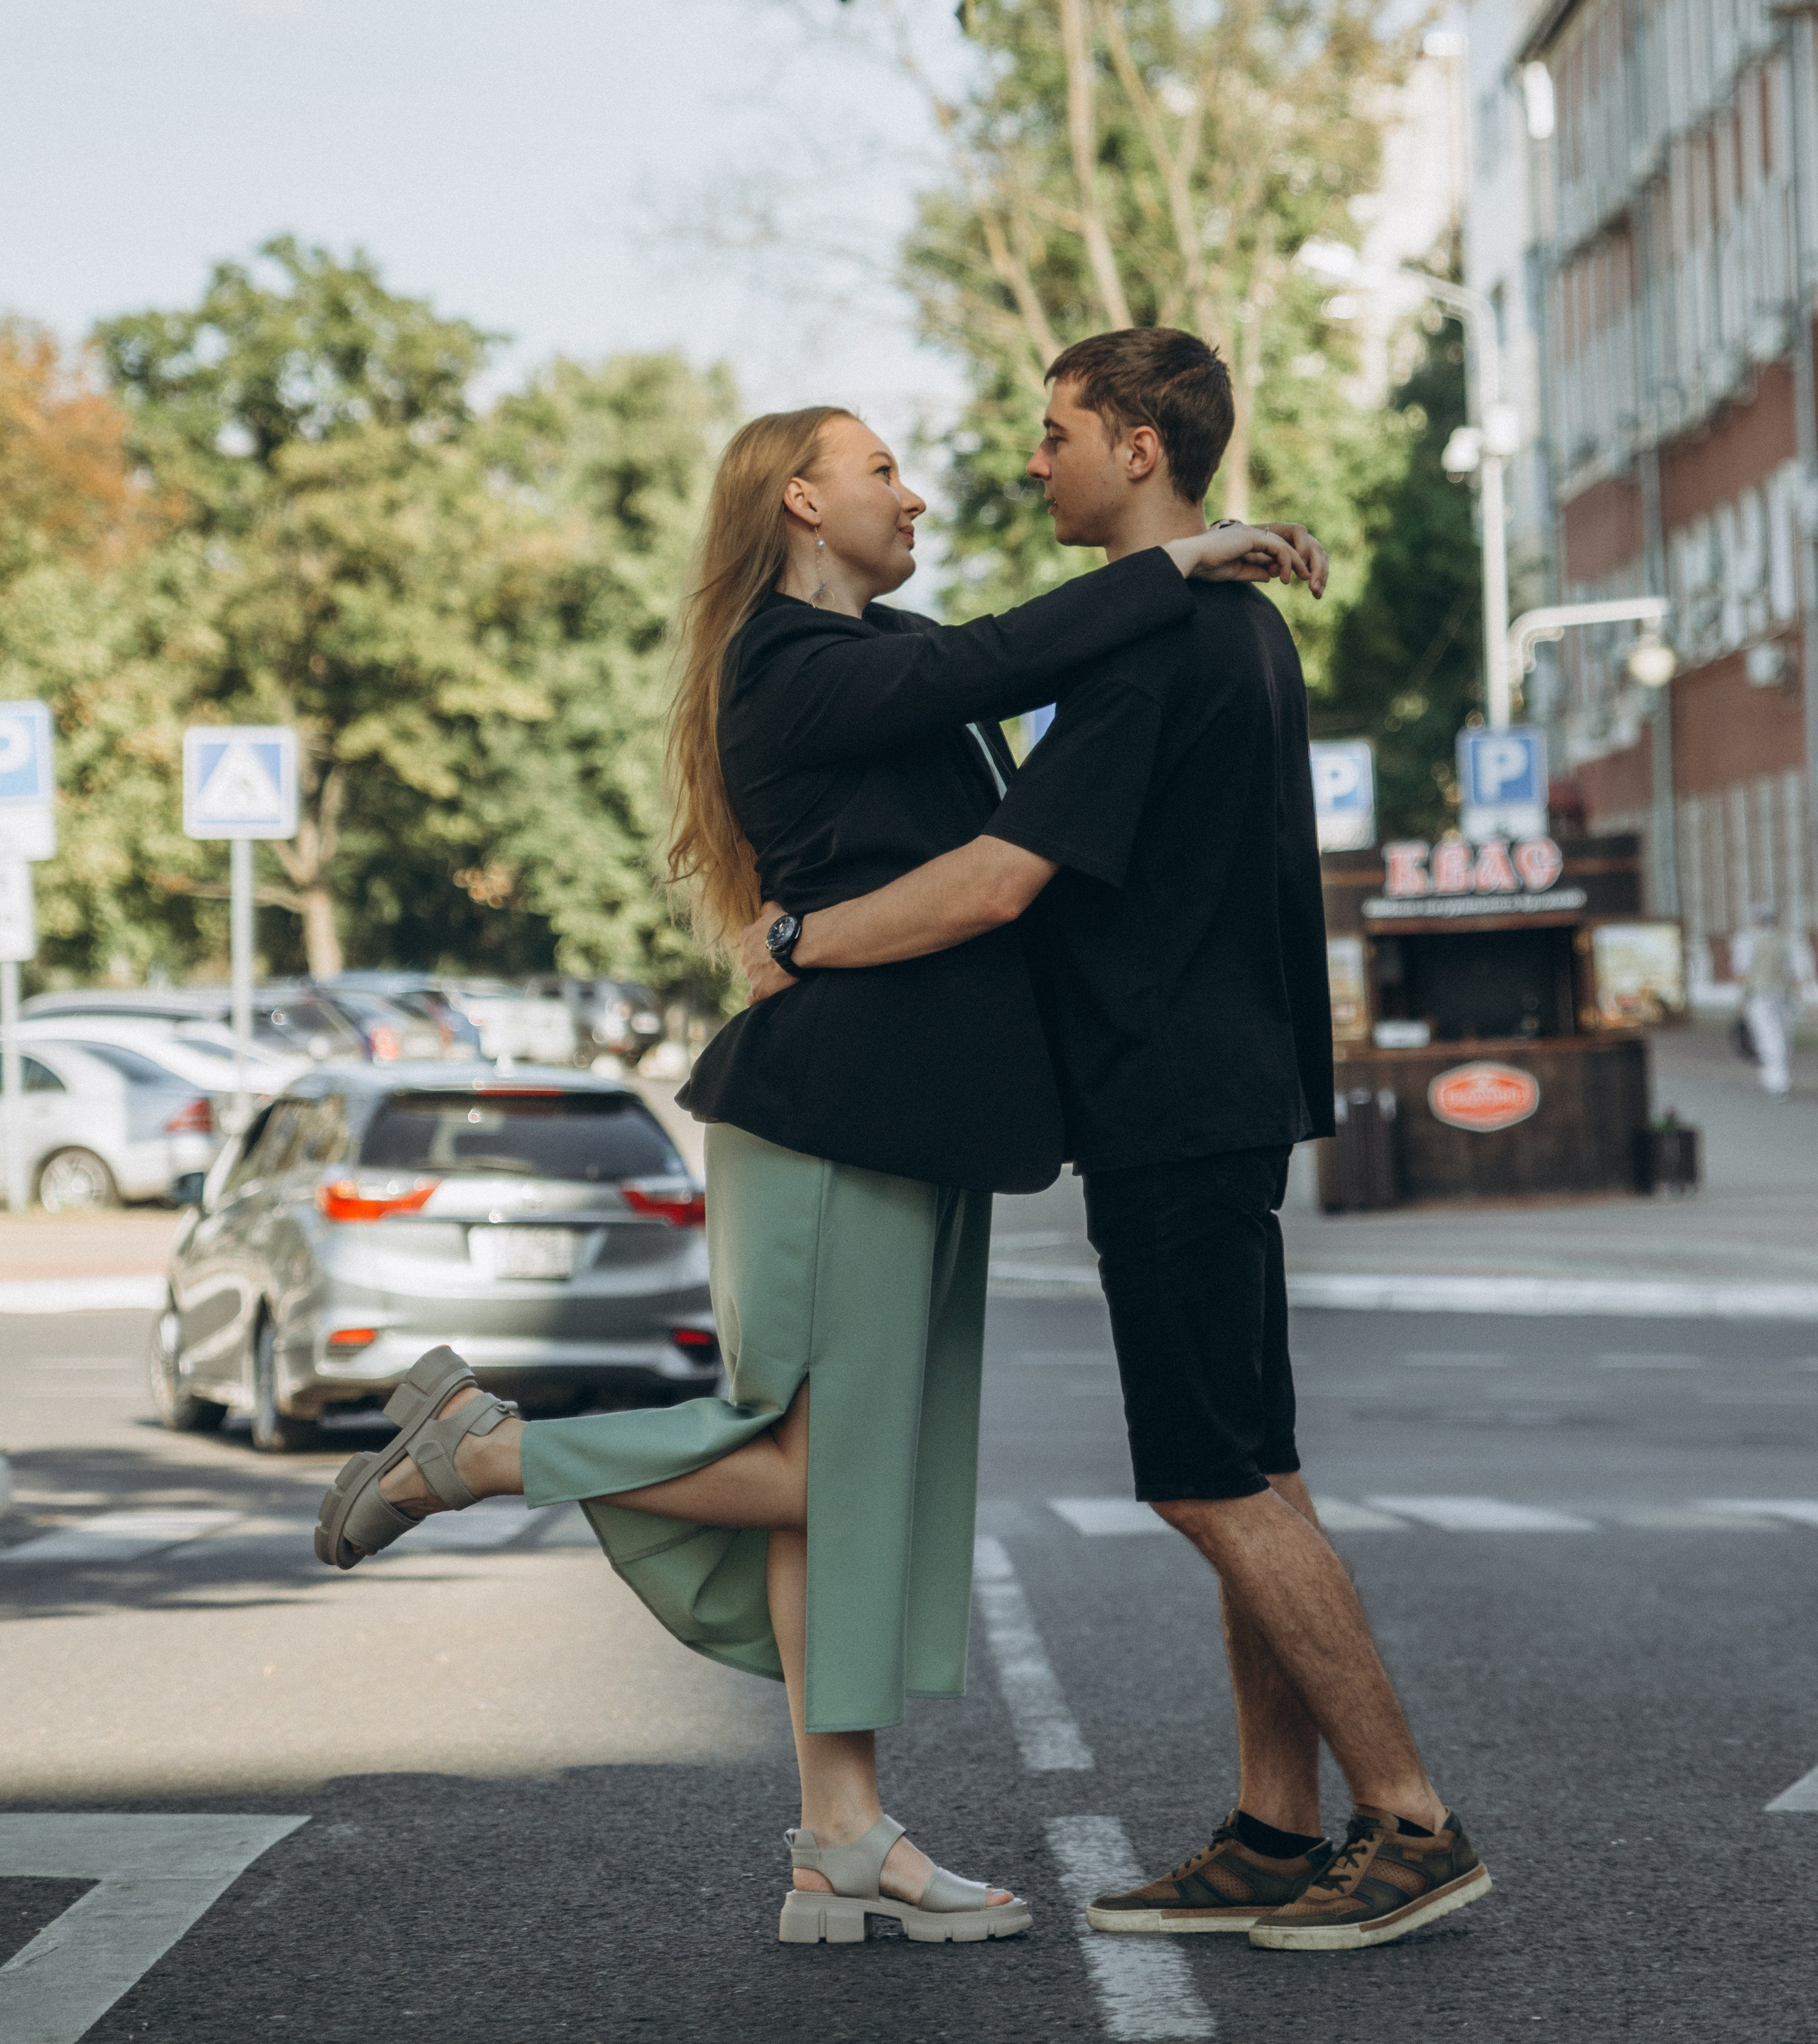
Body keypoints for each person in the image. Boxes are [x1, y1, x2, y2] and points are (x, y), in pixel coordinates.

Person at [313, 397, 1324, 1950]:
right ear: (797, 500)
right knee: (814, 1465)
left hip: (913, 1121)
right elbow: (998, 671)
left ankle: (837, 1836)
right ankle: (488, 1453)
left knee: (831, 1478)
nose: (915, 498)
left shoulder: (888, 656)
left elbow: (986, 679)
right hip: (828, 1113)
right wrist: (1184, 560)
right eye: (881, 472)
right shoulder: (785, 663)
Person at [739, 329, 1491, 1955]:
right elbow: (980, 672)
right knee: (1255, 1466)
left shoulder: (1155, 647)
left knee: (1210, 1483)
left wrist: (797, 939)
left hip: (1167, 1099)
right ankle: (1273, 1829)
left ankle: (1408, 1818)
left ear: (1137, 449)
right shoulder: (1230, 624)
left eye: (1056, 431)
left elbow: (996, 880)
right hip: (1222, 1087)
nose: (1032, 461)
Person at [1733, 902, 1797, 1098]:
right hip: (1781, 996)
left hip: (1760, 997)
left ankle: (1777, 1082)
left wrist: (1741, 999)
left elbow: (1741, 974)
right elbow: (1792, 972)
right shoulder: (1783, 939)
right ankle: (1778, 1080)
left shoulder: (1747, 940)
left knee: (1770, 1038)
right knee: (1781, 1038)